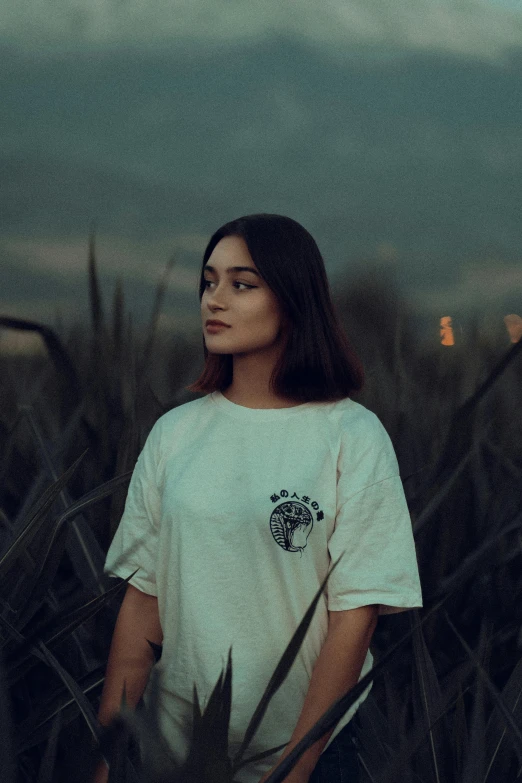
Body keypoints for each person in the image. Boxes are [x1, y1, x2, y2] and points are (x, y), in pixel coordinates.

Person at [93, 213, 423, 783]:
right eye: (208, 281)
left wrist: (295, 770)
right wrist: (103, 760)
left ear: (293, 300)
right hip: (179, 755)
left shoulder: (352, 435)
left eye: (241, 284)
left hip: (320, 755)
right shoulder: (175, 434)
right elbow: (143, 604)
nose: (214, 300)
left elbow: (356, 618)